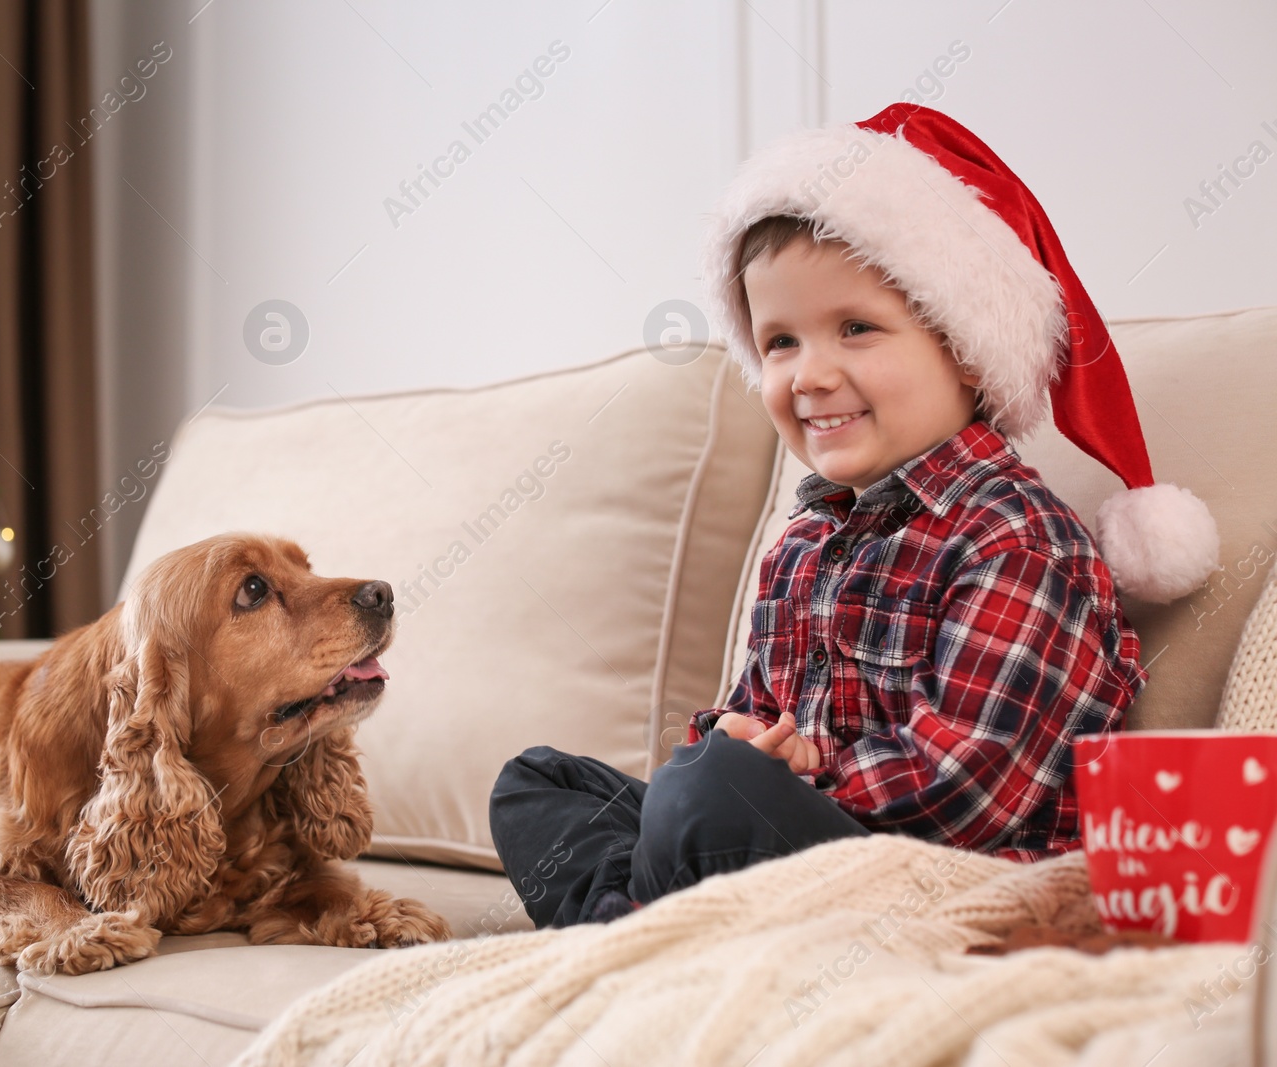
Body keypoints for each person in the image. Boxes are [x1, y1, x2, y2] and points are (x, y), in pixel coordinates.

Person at [489, 103, 1221, 930]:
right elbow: (745, 716)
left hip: (938, 885)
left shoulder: (1016, 538)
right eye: (780, 342)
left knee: (709, 796)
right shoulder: (803, 547)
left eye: (856, 328)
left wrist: (793, 773)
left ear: (965, 350)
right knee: (538, 783)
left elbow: (965, 788)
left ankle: (634, 927)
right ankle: (640, 925)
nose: (809, 374)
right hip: (779, 837)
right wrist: (739, 738)